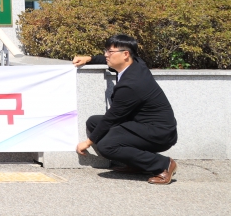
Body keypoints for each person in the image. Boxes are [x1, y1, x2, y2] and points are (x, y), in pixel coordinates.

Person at [74, 35, 179, 185]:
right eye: (106, 51)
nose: (106, 55)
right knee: (94, 123)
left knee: (106, 146)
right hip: (141, 124)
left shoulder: (131, 84)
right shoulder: (135, 63)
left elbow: (113, 117)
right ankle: (137, 164)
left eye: (110, 52)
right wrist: (89, 58)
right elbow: (108, 61)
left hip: (159, 132)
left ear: (125, 54)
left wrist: (88, 142)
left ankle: (163, 165)